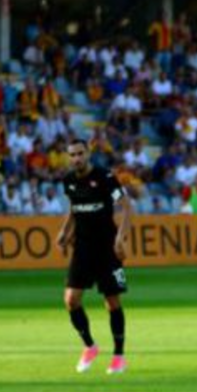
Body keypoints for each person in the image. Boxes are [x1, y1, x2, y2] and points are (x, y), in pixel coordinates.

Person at [57, 138, 133, 375]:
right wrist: (65, 231)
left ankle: (119, 356)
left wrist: (120, 238)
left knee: (112, 302)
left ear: (88, 153)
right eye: (72, 155)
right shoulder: (68, 181)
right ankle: (90, 346)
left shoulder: (105, 177)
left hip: (106, 247)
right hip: (82, 247)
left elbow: (126, 206)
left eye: (80, 153)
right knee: (71, 300)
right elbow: (74, 208)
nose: (76, 158)